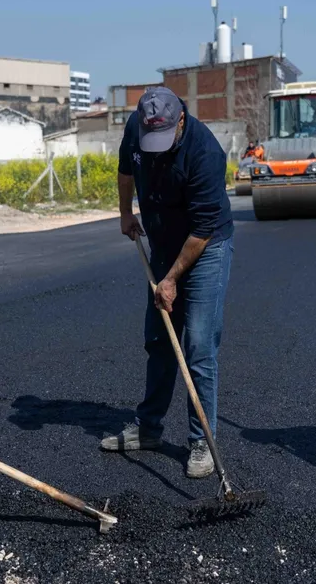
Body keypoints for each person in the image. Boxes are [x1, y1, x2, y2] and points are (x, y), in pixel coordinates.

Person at [102, 86, 235, 479]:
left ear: (181, 119)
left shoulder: (205, 153)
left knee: (197, 345)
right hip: (162, 242)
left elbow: (204, 228)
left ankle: (201, 441)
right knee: (160, 339)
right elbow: (127, 170)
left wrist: (172, 279)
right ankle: (148, 429)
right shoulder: (137, 126)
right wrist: (126, 213)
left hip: (205, 246)